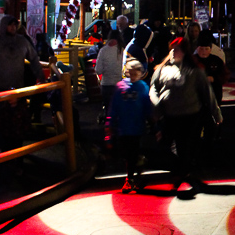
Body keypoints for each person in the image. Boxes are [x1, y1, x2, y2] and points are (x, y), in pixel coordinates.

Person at [150, 37, 222, 191]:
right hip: (168, 115)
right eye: (172, 49)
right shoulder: (162, 69)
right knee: (166, 145)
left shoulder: (195, 71)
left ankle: (182, 173)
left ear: (184, 52)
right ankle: (179, 170)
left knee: (184, 146)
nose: (173, 52)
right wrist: (156, 105)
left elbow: (207, 93)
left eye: (177, 49)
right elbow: (153, 88)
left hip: (189, 115)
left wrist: (216, 114)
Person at [0, 15, 46, 152]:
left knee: (16, 122)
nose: (13, 27)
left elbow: (34, 59)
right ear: (4, 26)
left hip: (17, 88)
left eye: (14, 25)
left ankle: (15, 150)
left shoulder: (22, 42)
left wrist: (40, 76)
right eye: (10, 25)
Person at [107, 58, 153, 193]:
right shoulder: (120, 87)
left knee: (132, 152)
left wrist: (151, 120)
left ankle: (130, 177)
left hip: (137, 126)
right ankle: (136, 168)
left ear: (140, 73)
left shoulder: (143, 87)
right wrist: (109, 123)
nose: (132, 76)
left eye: (135, 73)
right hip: (123, 126)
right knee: (126, 153)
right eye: (130, 73)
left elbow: (147, 106)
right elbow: (113, 107)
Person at [94, 37, 124, 122]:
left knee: (108, 108)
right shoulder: (122, 50)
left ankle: (108, 128)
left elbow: (98, 70)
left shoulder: (103, 50)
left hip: (106, 83)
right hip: (119, 84)